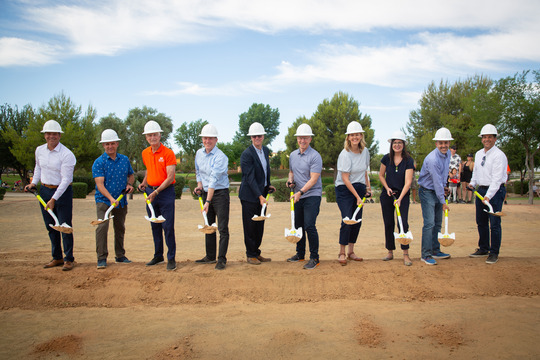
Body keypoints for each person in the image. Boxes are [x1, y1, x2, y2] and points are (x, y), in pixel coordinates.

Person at [24, 120, 76, 271]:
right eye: (48, 133)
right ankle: (57, 257)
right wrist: (34, 182)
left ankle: (68, 259)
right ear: (45, 135)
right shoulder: (39, 150)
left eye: (54, 134)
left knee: (64, 226)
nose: (51, 136)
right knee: (50, 226)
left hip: (63, 192)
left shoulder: (67, 154)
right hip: (45, 191)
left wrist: (54, 199)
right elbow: (38, 168)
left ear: (59, 135)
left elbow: (66, 179)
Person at [92, 129, 135, 269]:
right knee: (102, 227)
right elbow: (99, 184)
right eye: (107, 144)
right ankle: (101, 258)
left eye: (112, 143)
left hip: (121, 200)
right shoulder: (99, 162)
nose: (110, 146)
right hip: (104, 201)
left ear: (117, 144)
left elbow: (131, 175)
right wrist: (111, 198)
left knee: (120, 228)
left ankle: (120, 256)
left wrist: (129, 184)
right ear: (103, 145)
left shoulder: (125, 160)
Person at [138, 121, 177, 271]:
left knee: (168, 227)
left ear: (160, 135)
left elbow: (170, 176)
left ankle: (171, 258)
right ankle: (158, 255)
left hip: (165, 193)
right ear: (146, 137)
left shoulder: (168, 153)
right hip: (151, 192)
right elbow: (149, 171)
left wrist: (156, 192)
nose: (152, 137)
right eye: (149, 135)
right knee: (154, 225)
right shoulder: (145, 153)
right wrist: (144, 183)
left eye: (155, 134)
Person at [468, 124, 508, 264]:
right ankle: (483, 248)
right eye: (484, 137)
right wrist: (473, 183)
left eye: (489, 137)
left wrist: (488, 196)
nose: (487, 139)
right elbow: (476, 172)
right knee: (481, 221)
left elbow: (497, 179)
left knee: (494, 223)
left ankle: (494, 252)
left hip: (495, 192)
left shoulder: (499, 156)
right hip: (481, 190)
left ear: (495, 139)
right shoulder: (479, 154)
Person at [286, 123, 323, 270]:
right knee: (298, 225)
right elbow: (291, 172)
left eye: (305, 138)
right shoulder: (293, 155)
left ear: (310, 139)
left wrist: (300, 192)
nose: (302, 140)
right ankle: (300, 254)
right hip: (298, 195)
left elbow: (313, 179)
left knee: (309, 225)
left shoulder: (315, 156)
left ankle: (315, 257)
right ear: (297, 139)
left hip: (312, 195)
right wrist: (290, 180)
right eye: (300, 138)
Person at [238, 122, 276, 265]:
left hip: (262, 195)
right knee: (250, 226)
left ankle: (256, 252)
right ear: (251, 138)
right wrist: (259, 196)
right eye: (254, 136)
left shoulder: (265, 150)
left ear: (263, 136)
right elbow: (250, 178)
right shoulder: (247, 154)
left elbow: (265, 172)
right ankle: (250, 254)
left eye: (259, 135)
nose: (257, 138)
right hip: (249, 196)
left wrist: (268, 185)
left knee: (260, 226)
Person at [335, 121, 371, 266]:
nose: (355, 137)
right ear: (348, 137)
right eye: (352, 135)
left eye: (357, 134)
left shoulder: (366, 151)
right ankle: (342, 252)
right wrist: (357, 197)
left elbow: (364, 172)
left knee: (357, 221)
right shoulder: (345, 154)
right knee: (347, 219)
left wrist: (368, 188)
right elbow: (345, 178)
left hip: (360, 187)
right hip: (344, 189)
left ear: (361, 136)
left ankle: (351, 251)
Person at [194, 124, 230, 271]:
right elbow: (198, 171)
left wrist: (208, 201)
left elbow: (214, 179)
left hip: (220, 194)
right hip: (206, 192)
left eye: (210, 138)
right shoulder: (199, 153)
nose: (207, 141)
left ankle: (221, 259)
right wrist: (199, 185)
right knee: (208, 226)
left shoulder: (221, 157)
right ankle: (210, 256)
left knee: (222, 227)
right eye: (205, 138)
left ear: (216, 140)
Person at [378, 130, 415, 266]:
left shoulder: (408, 160)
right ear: (391, 144)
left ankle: (405, 254)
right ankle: (390, 251)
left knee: (403, 223)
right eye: (395, 143)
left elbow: (408, 182)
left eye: (400, 142)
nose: (397, 145)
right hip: (387, 194)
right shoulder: (386, 158)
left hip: (402, 195)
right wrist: (387, 188)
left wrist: (399, 198)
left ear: (403, 144)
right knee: (388, 223)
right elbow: (381, 175)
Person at [417, 127, 453, 265]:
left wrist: (445, 187)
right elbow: (436, 181)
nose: (444, 146)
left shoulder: (448, 153)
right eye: (441, 143)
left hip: (437, 190)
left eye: (446, 143)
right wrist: (443, 201)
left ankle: (435, 250)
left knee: (438, 223)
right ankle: (425, 254)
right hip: (427, 192)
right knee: (429, 223)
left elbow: (443, 175)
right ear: (436, 144)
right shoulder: (432, 159)